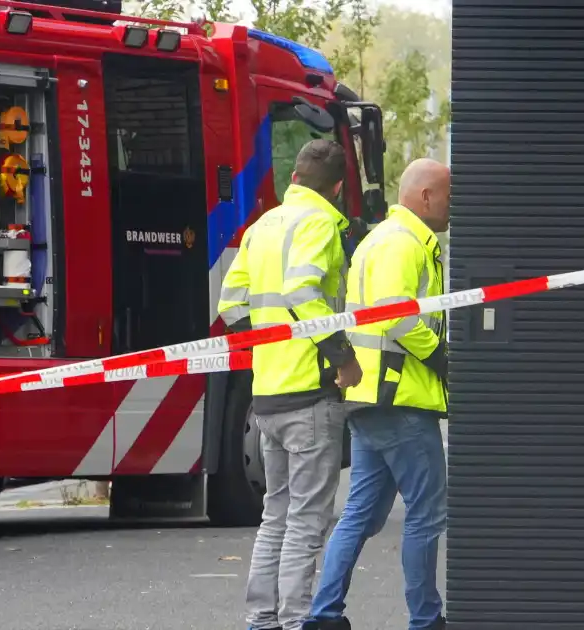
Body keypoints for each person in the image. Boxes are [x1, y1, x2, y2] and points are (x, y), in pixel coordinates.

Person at [217, 138, 365, 630]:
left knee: (275, 516)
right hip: (310, 394)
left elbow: (231, 306)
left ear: (295, 176)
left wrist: (264, 347)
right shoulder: (321, 222)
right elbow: (303, 291)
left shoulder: (261, 226)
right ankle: (297, 621)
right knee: (306, 521)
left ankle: (262, 619)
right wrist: (340, 357)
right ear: (339, 187)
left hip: (268, 395)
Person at [303, 158, 452, 630]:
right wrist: (440, 356)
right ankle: (426, 620)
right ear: (425, 196)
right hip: (400, 400)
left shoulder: (382, 239)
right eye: (449, 195)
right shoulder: (402, 243)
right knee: (427, 513)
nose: (453, 206)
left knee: (360, 516)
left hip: (371, 398)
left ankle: (324, 614)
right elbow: (398, 316)